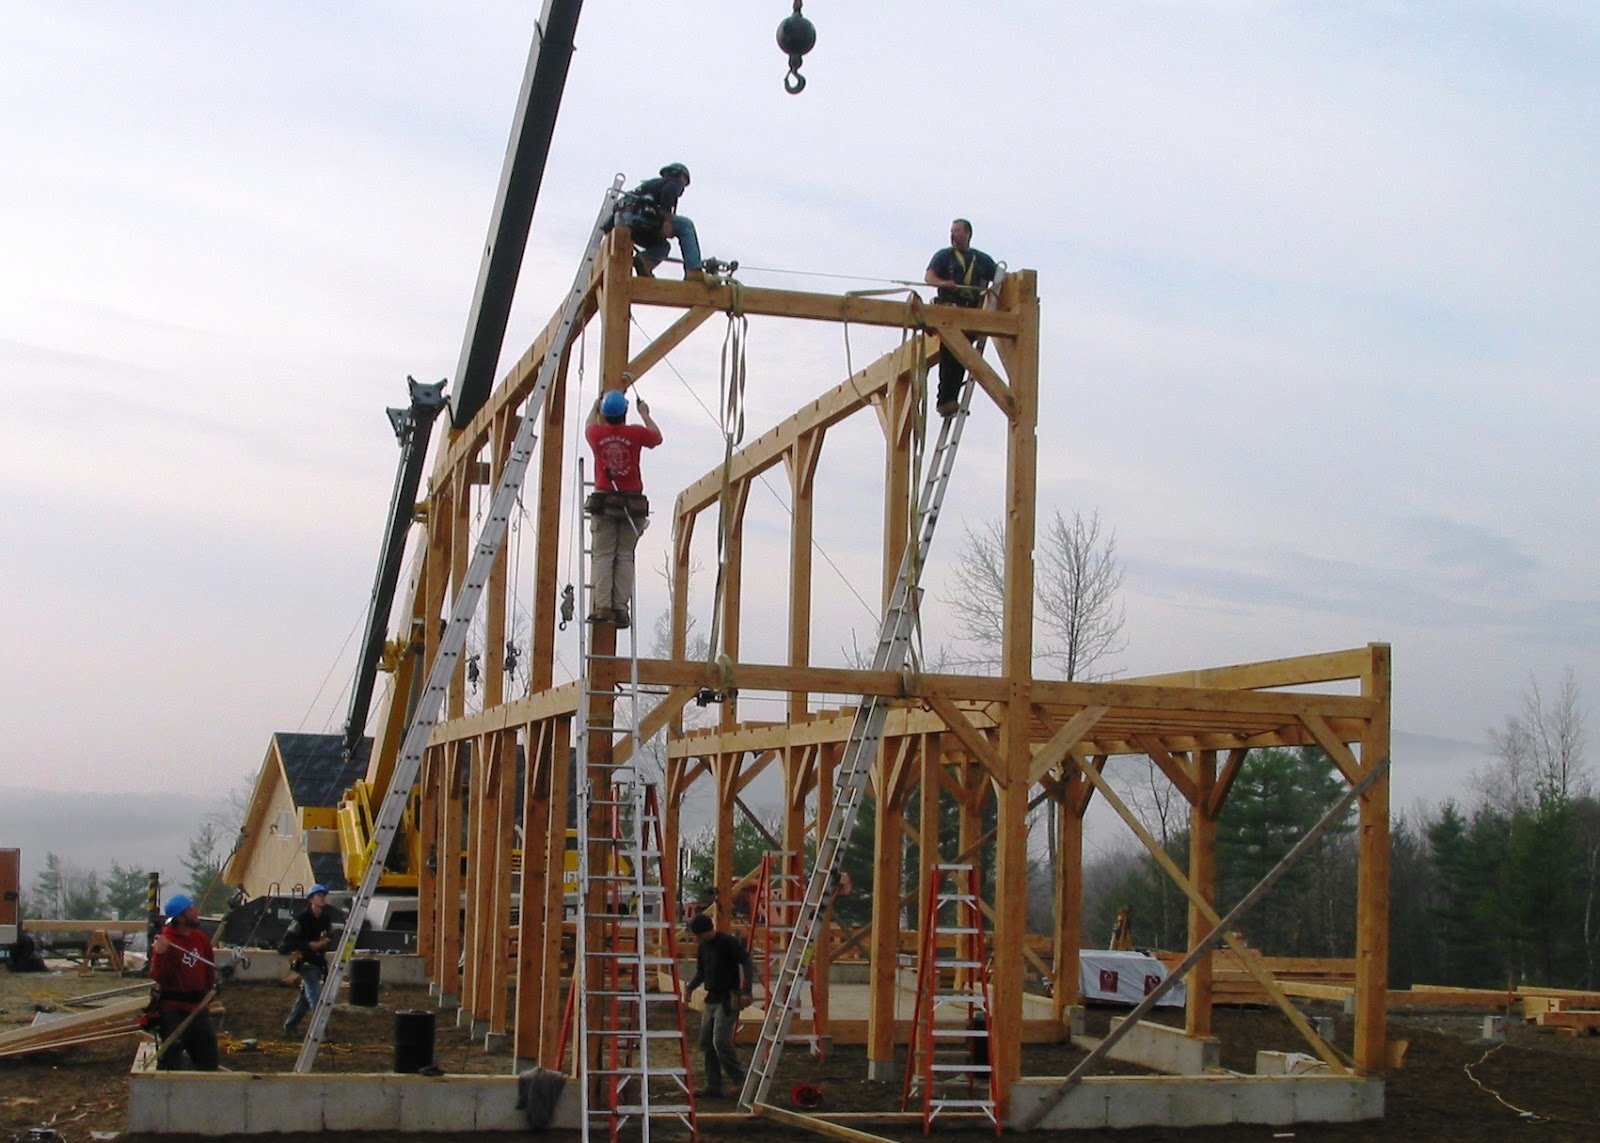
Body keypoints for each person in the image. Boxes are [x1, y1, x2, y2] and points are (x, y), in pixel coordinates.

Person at [585, 388, 662, 628]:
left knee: (604, 556)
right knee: (625, 556)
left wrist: (595, 405)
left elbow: (588, 423)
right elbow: (656, 437)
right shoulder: (636, 434)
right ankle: (620, 609)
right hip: (632, 505)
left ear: (604, 414)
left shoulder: (596, 434)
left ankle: (604, 607)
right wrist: (645, 414)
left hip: (605, 503)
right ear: (625, 413)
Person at [924, 218, 999, 417]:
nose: (953, 235)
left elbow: (1001, 280)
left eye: (957, 231)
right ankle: (946, 399)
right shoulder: (944, 256)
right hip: (949, 311)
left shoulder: (982, 260)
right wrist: (944, 283)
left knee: (961, 357)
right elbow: (929, 278)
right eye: (951, 231)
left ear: (967, 234)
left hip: (970, 312)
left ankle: (950, 399)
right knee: (950, 354)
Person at [684, 912, 755, 1099]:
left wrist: (746, 990)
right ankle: (713, 1085)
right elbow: (701, 971)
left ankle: (741, 1081)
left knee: (720, 1041)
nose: (697, 938)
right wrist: (690, 987)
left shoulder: (727, 942)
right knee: (707, 1042)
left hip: (728, 997)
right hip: (712, 998)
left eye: (699, 935)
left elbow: (747, 961)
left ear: (707, 930)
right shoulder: (703, 946)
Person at [148, 893, 219, 1070]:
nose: (195, 912)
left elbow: (209, 969)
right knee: (171, 1058)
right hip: (173, 1010)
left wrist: (208, 992)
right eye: (190, 909)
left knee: (208, 1056)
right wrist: (161, 954)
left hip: (198, 1007)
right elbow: (159, 975)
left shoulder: (200, 939)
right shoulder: (168, 941)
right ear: (180, 917)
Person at [616, 162, 703, 279]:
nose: (682, 189)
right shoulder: (674, 181)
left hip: (628, 225)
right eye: (685, 184)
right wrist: (667, 222)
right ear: (682, 177)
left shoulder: (649, 186)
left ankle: (645, 262)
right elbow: (668, 193)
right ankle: (694, 271)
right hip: (639, 217)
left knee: (663, 247)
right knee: (686, 225)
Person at [280, 884, 334, 1035]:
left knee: (306, 996)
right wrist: (309, 945)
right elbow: (287, 942)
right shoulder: (301, 919)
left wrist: (323, 943)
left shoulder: (325, 918)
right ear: (311, 899)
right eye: (319, 896)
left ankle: (290, 1025)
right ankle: (321, 1028)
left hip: (316, 961)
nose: (322, 898)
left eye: (323, 895)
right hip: (304, 962)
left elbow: (330, 936)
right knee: (314, 994)